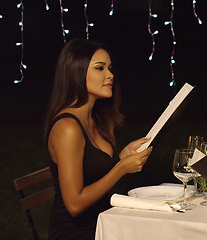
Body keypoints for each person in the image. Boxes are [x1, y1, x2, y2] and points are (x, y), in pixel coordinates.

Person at [44, 38, 153, 240]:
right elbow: (74, 205)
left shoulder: (94, 119)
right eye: (100, 68)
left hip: (105, 222)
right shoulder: (67, 128)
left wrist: (122, 158)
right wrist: (121, 169)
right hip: (76, 233)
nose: (110, 74)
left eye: (109, 68)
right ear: (76, 72)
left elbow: (92, 175)